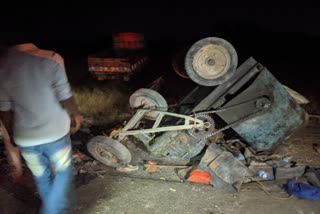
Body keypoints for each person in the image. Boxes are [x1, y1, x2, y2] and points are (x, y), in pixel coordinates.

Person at [0, 40, 82, 214]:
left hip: (26, 138)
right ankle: (51, 211)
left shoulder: (4, 70)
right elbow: (65, 95)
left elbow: (5, 111)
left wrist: (12, 135)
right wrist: (75, 115)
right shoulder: (49, 60)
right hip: (55, 134)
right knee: (63, 172)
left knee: (41, 177)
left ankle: (56, 210)